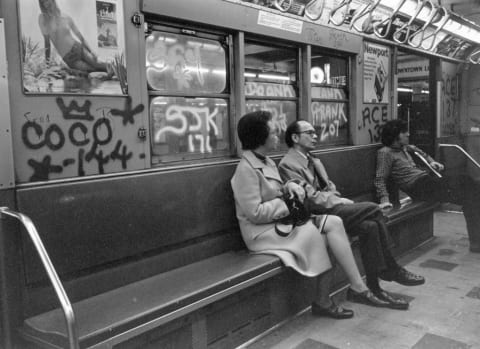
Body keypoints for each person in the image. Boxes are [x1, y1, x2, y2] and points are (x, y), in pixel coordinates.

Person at [231, 111, 392, 320]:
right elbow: (255, 213)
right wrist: (287, 203)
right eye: (273, 132)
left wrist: (290, 185)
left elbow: (276, 190)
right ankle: (327, 299)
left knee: (335, 224)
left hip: (281, 223)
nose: (278, 135)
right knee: (327, 238)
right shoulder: (245, 170)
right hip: (262, 233)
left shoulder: (267, 162)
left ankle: (357, 286)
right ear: (260, 137)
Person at [278, 120, 425, 310]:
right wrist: (339, 201)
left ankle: (373, 287)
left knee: (370, 227)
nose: (315, 136)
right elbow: (309, 199)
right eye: (310, 132)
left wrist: (337, 198)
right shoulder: (287, 165)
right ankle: (391, 268)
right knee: (374, 209)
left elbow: (330, 187)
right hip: (318, 215)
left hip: (332, 208)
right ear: (295, 137)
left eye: (316, 132)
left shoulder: (313, 159)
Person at [375, 119, 480, 252]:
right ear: (395, 135)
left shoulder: (406, 148)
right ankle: (476, 242)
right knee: (468, 186)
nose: (408, 134)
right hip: (417, 187)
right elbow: (380, 178)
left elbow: (422, 153)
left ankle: (477, 242)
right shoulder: (385, 153)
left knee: (471, 195)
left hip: (426, 181)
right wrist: (384, 200)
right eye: (404, 132)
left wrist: (432, 162)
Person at [38, 0, 112, 74]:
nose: (46, 3)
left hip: (78, 48)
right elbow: (47, 43)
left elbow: (81, 38)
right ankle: (115, 72)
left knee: (98, 64)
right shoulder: (43, 19)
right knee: (91, 69)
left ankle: (120, 71)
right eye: (43, 2)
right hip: (69, 58)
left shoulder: (66, 17)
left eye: (47, 0)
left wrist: (92, 51)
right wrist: (47, 65)